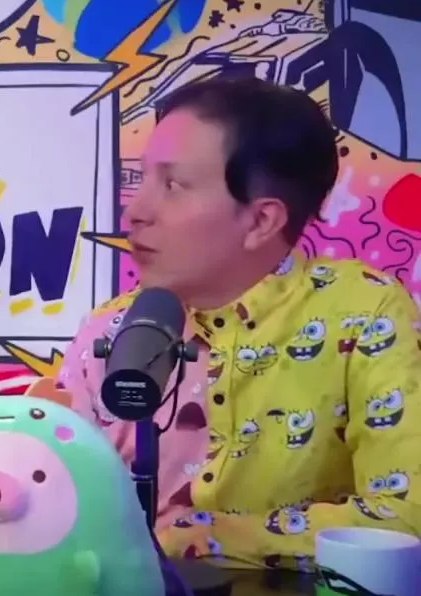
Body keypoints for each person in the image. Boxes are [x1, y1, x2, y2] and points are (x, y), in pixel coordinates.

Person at [42, 75, 421, 570]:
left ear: (262, 220)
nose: (134, 211)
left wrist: (205, 537)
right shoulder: (109, 328)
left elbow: (404, 516)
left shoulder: (362, 312)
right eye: (142, 179)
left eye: (173, 185)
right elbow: (54, 505)